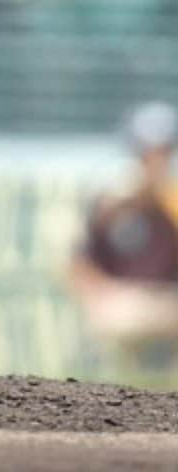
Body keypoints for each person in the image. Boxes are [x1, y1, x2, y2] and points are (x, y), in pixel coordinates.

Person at [68, 101, 178, 374]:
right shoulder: (111, 197)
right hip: (123, 299)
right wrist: (100, 297)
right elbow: (80, 263)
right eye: (147, 153)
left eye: (164, 152)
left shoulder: (171, 197)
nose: (156, 160)